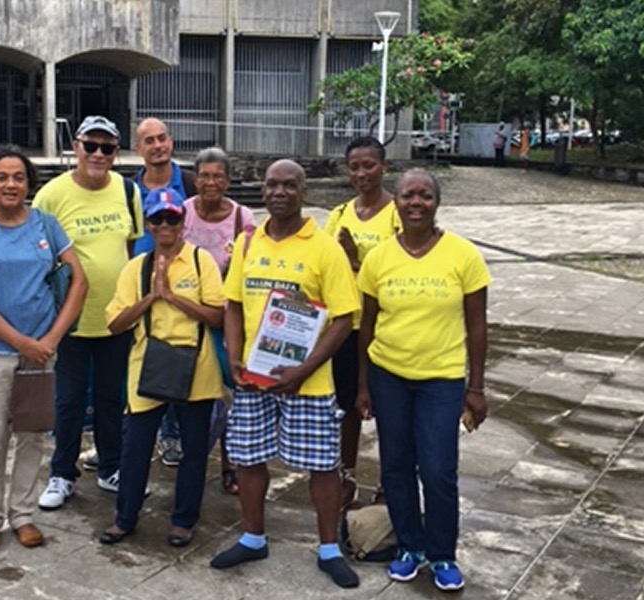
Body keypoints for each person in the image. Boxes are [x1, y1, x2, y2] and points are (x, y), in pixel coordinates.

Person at [210, 159, 361, 589]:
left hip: (308, 381)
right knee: (249, 456)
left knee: (321, 465)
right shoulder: (248, 244)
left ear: (304, 191)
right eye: (272, 184)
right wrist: (234, 356)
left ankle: (329, 548)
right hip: (253, 378)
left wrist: (303, 369)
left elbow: (343, 319)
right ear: (263, 189)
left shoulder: (324, 247)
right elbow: (233, 303)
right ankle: (253, 536)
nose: (279, 192)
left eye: (289, 185)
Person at [355, 169, 491, 591]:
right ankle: (409, 547)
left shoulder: (463, 255)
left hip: (441, 380)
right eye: (408, 195)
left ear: (437, 202)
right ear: (396, 201)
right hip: (388, 375)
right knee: (396, 468)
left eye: (426, 195)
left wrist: (476, 388)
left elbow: (478, 325)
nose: (416, 202)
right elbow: (367, 327)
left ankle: (442, 554)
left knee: (437, 470)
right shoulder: (379, 258)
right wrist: (363, 386)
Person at [0, 145, 87, 551]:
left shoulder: (46, 224)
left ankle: (22, 514)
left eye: (19, 177)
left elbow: (78, 282)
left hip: (41, 354)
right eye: (2, 177)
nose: (11, 184)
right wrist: (21, 341)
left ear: (29, 183)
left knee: (32, 435)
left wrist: (50, 340)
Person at [99, 187, 224, 547]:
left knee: (194, 449)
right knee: (135, 448)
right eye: (158, 219)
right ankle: (125, 517)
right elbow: (115, 323)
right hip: (148, 365)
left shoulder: (202, 262)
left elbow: (217, 316)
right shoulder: (137, 269)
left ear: (183, 223)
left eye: (173, 218)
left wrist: (174, 297)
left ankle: (184, 520)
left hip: (196, 366)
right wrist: (152, 296)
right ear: (149, 225)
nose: (166, 224)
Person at [34, 115, 144, 510]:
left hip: (115, 317)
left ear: (117, 153)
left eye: (107, 147)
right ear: (76, 147)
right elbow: (38, 254)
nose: (98, 154)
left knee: (113, 398)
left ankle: (110, 467)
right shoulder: (51, 195)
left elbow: (130, 251)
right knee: (69, 400)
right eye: (90, 145)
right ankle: (62, 473)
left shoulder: (128, 190)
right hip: (72, 318)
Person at [323, 136, 400, 509]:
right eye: (354, 166)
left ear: (383, 167)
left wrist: (355, 261)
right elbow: (323, 266)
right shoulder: (339, 214)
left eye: (368, 165)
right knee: (349, 404)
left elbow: (402, 270)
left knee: (386, 405)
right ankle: (347, 473)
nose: (361, 173)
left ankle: (390, 480)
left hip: (386, 326)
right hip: (345, 326)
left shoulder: (398, 215)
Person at [125, 117, 199, 469]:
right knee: (135, 362)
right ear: (138, 149)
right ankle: (129, 433)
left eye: (163, 138)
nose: (158, 145)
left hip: (183, 286)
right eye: (149, 140)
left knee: (177, 357)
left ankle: (172, 434)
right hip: (138, 283)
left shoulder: (190, 183)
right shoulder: (127, 191)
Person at [181, 146, 255, 496]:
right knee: (195, 393)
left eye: (218, 176)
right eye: (205, 175)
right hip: (187, 316)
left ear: (228, 180)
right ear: (196, 179)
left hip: (228, 320)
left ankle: (232, 463)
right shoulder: (181, 213)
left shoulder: (242, 218)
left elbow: (251, 269)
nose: (211, 182)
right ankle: (191, 459)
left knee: (232, 393)